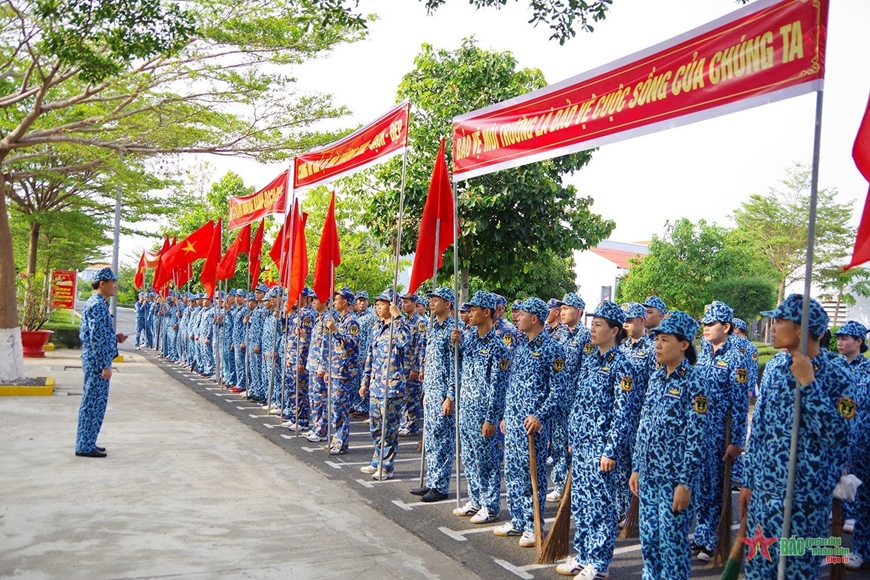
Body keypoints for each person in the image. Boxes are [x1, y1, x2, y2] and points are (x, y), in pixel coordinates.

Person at [740, 294, 856, 580]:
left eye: (780, 321)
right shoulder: (776, 368)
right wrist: (748, 481)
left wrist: (808, 384)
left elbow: (839, 435)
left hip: (806, 500)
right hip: (765, 496)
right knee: (758, 570)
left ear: (803, 329)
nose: (773, 326)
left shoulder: (839, 374)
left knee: (798, 572)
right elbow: (761, 432)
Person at [556, 301, 638, 579]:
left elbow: (622, 412)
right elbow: (580, 402)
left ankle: (599, 564)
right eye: (591, 323)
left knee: (601, 507)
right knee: (581, 503)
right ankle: (583, 555)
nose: (592, 328)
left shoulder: (623, 365)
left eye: (599, 324)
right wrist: (573, 436)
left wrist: (611, 451)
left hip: (602, 449)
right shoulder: (591, 359)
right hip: (582, 445)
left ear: (614, 331)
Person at [627, 311, 706, 580]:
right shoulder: (656, 378)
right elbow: (644, 427)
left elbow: (696, 439)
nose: (657, 345)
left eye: (664, 339)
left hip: (674, 481)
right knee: (649, 543)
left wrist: (685, 484)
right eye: (656, 339)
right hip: (649, 476)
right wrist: (637, 467)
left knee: (672, 546)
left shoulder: (695, 383)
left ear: (683, 344)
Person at [496, 297, 567, 548]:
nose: (517, 317)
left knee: (531, 473)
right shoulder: (521, 345)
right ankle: (518, 519)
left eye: (522, 314)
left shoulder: (552, 349)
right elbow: (512, 384)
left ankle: (533, 524)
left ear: (534, 318)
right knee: (513, 471)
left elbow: (559, 390)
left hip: (532, 424)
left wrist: (540, 416)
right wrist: (506, 414)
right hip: (514, 422)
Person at [692, 300, 747, 561]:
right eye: (704, 324)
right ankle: (701, 536)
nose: (706, 328)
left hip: (719, 435)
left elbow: (739, 403)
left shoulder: (737, 357)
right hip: (700, 433)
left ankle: (712, 539)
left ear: (726, 326)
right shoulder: (703, 353)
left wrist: (737, 441)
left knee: (716, 489)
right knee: (700, 488)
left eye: (711, 324)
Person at [451, 290, 511, 523]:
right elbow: (458, 366)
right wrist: (453, 344)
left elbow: (499, 387)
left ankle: (490, 505)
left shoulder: (499, 348)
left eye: (474, 310)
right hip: (467, 409)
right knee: (469, 458)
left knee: (487, 461)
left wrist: (491, 418)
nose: (469, 314)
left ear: (487, 313)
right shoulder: (470, 339)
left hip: (483, 413)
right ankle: (475, 500)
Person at [409, 286, 457, 502]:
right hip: (431, 390)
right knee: (431, 439)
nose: (431, 302)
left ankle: (440, 486)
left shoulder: (452, 330)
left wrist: (450, 396)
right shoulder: (434, 327)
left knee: (443, 440)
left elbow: (455, 367)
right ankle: (431, 481)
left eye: (437, 299)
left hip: (443, 394)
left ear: (448, 304)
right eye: (431, 299)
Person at [75, 267, 128, 458]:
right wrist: (105, 365)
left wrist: (114, 338)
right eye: (112, 282)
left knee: (95, 404)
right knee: (92, 404)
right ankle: (85, 445)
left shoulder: (99, 303)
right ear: (102, 284)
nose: (115, 286)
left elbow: (98, 335)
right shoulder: (97, 305)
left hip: (95, 361)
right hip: (97, 364)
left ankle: (88, 442)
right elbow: (96, 339)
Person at [359, 289, 410, 481]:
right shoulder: (377, 327)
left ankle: (387, 466)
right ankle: (377, 460)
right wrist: (365, 382)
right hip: (375, 386)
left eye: (383, 303)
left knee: (388, 430)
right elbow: (370, 357)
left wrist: (397, 317)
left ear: (392, 306)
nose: (378, 306)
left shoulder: (399, 327)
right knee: (375, 427)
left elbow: (405, 341)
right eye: (377, 303)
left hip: (392, 389)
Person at [548, 292, 590, 503]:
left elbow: (587, 371)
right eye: (561, 309)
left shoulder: (586, 337)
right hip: (559, 400)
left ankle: (576, 486)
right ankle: (559, 484)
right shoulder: (558, 335)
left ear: (579, 312)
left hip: (576, 401)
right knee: (558, 444)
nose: (562, 312)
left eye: (567, 308)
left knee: (574, 446)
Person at [834, 320, 870, 568]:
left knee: (865, 499)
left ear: (859, 342)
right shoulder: (832, 368)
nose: (840, 342)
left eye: (846, 338)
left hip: (863, 445)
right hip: (836, 444)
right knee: (835, 498)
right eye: (839, 337)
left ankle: (861, 549)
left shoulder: (867, 371)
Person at [617, 301, 654, 521]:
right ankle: (623, 510)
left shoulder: (651, 349)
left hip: (642, 416)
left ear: (641, 321)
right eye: (625, 321)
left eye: (630, 320)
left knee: (639, 466)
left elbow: (653, 385)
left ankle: (640, 512)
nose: (627, 325)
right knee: (622, 465)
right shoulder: (622, 348)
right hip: (624, 416)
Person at [324, 287, 360, 455]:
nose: (334, 302)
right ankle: (336, 440)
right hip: (335, 370)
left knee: (340, 408)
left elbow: (351, 345)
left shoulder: (351, 322)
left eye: (337, 299)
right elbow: (334, 349)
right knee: (334, 408)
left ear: (344, 302)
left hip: (344, 372)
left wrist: (336, 331)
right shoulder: (339, 320)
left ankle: (341, 442)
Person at [399, 292, 426, 436]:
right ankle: (405, 422)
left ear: (415, 304)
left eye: (407, 302)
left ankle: (413, 425)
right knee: (404, 396)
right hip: (402, 364)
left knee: (412, 397)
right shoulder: (404, 321)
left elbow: (421, 346)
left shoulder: (420, 322)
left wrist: (417, 367)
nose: (403, 305)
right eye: (402, 302)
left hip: (412, 365)